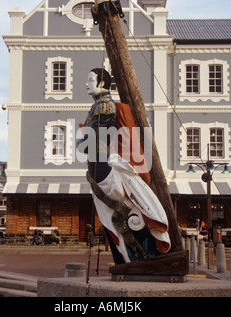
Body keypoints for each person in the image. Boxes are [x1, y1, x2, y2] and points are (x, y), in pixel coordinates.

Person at [77, 68, 171, 264]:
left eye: (91, 79)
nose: (87, 83)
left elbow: (93, 141)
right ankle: (132, 255)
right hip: (98, 167)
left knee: (123, 209)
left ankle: (144, 253)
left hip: (102, 167)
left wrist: (82, 142)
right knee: (116, 212)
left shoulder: (105, 107)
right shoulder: (96, 108)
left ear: (102, 83)